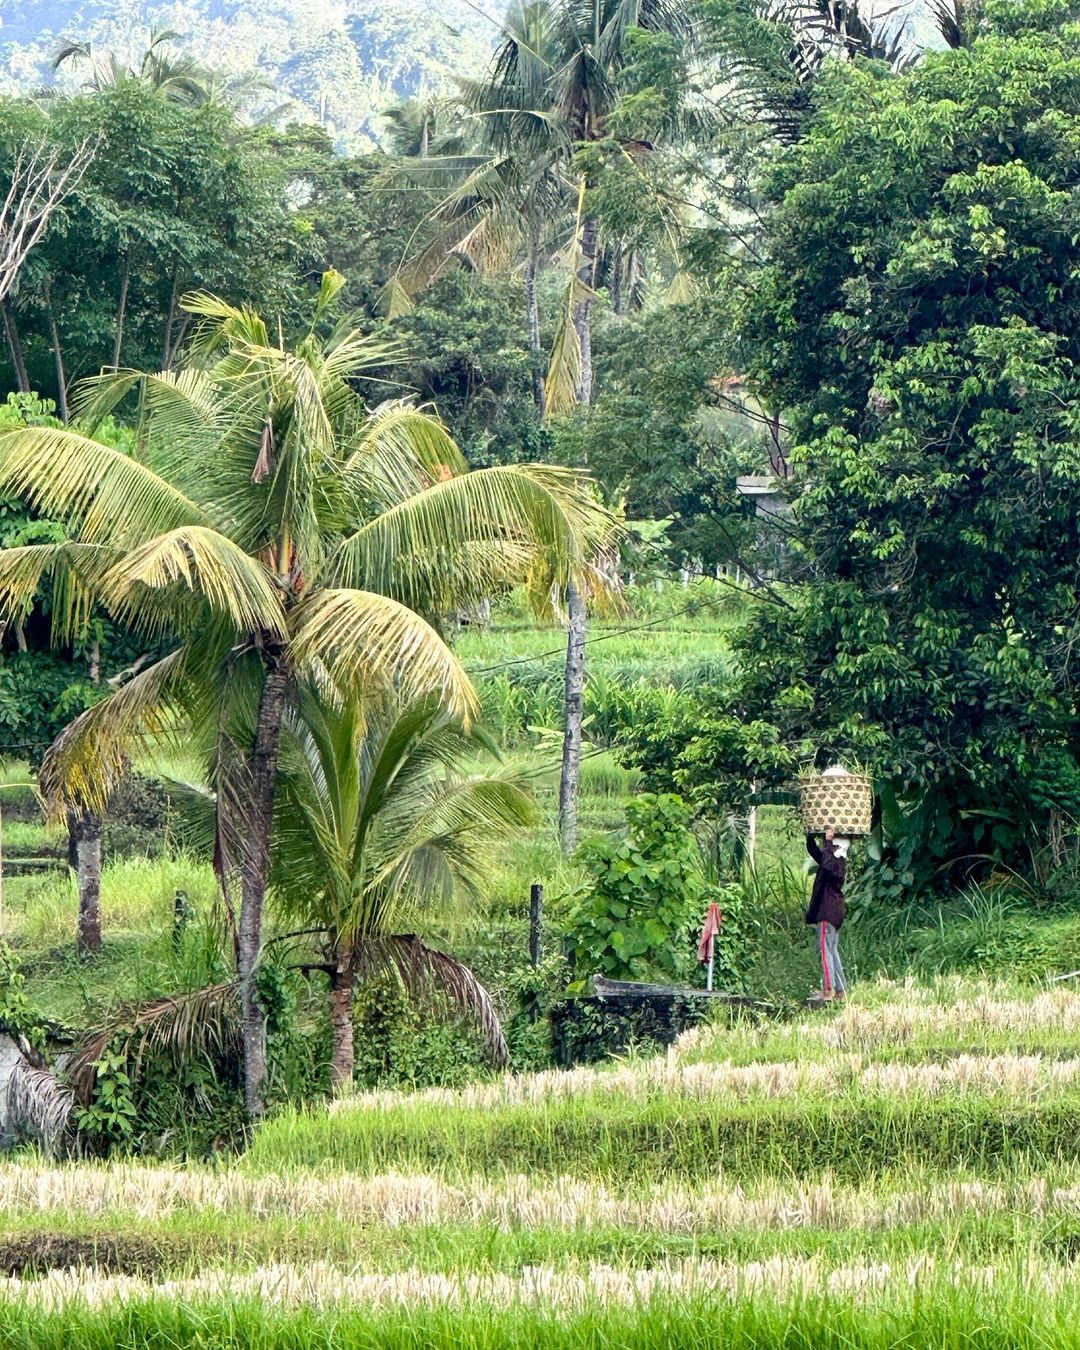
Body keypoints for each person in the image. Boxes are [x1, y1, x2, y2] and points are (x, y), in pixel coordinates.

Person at [805, 827, 849, 1000]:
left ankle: (829, 990)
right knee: (832, 950)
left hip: (827, 912)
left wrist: (829, 843)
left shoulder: (835, 864)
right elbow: (819, 856)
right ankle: (840, 989)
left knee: (825, 951)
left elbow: (828, 865)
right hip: (833, 911)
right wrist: (810, 839)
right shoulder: (833, 860)